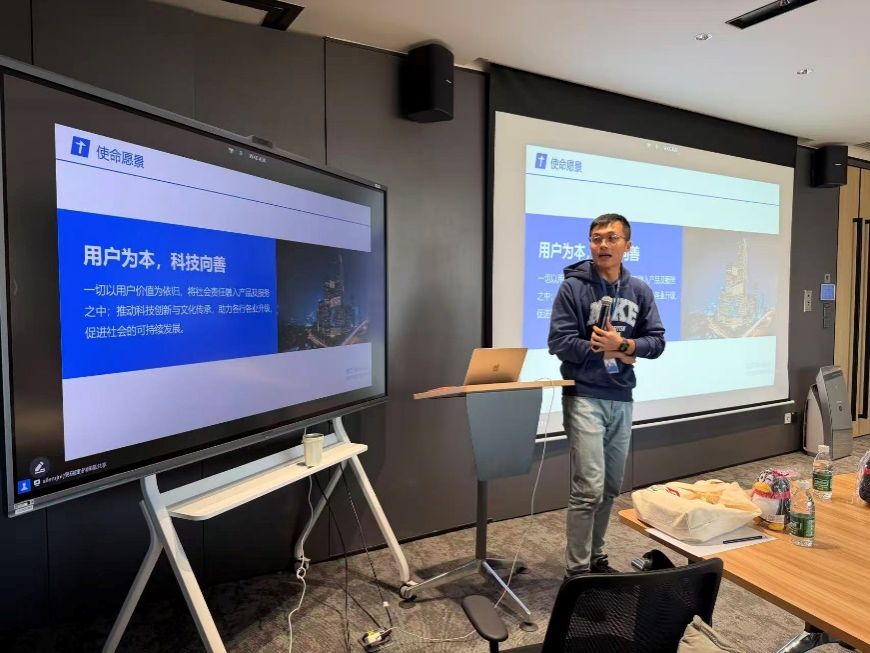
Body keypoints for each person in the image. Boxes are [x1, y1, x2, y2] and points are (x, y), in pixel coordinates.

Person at [548, 213, 665, 576]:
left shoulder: (640, 290)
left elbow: (657, 341)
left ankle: (596, 559)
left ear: (627, 246)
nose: (603, 245)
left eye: (612, 238)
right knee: (588, 488)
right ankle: (577, 571)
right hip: (584, 396)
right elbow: (559, 342)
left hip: (621, 397)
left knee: (610, 487)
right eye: (596, 238)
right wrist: (605, 349)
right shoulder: (573, 288)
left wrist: (625, 345)